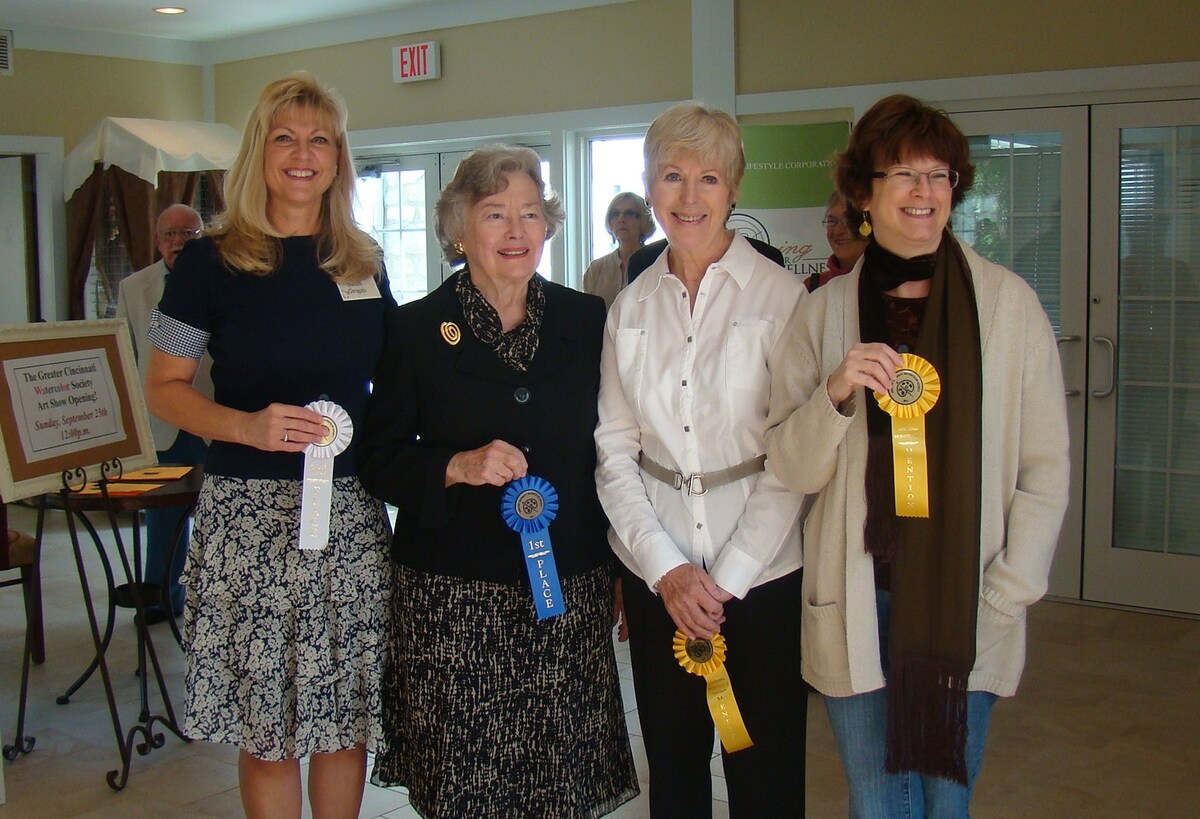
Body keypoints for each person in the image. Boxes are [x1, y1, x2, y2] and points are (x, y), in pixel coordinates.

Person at [765, 94, 1070, 818]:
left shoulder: (1008, 307)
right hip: (858, 596)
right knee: (878, 801)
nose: (924, 193)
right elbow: (791, 466)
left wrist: (1008, 587)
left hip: (969, 597)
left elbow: (1045, 465)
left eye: (940, 176)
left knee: (947, 802)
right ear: (864, 193)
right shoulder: (822, 312)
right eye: (903, 174)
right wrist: (837, 393)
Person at [358, 145, 639, 818]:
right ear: (460, 228)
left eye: (530, 214)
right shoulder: (415, 329)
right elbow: (377, 456)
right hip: (452, 599)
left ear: (548, 225)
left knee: (560, 774)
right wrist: (456, 465)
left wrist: (622, 564)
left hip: (567, 588)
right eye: (494, 215)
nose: (516, 233)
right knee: (467, 782)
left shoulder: (587, 321)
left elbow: (614, 452)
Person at [143, 72, 393, 819]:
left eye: (320, 138)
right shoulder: (205, 262)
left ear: (339, 157)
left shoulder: (362, 259)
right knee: (271, 729)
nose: (303, 153)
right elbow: (162, 385)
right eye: (285, 136)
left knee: (344, 719)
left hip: (347, 519)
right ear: (259, 150)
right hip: (248, 526)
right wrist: (245, 424)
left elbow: (397, 383)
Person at [594, 101, 808, 817]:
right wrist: (667, 569)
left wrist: (728, 579)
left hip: (764, 576)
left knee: (765, 773)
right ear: (650, 188)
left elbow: (794, 457)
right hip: (662, 581)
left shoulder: (783, 299)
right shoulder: (629, 307)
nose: (690, 198)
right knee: (677, 773)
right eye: (672, 177)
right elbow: (614, 452)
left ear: (735, 189)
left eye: (709, 178)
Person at [116, 203, 212, 623]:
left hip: (214, 415)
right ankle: (160, 596)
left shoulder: (223, 279)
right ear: (157, 241)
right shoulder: (133, 288)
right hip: (162, 422)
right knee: (163, 517)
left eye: (188, 234)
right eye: (169, 234)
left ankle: (213, 601)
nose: (178, 242)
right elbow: (126, 355)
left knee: (217, 515)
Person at [583, 191, 655, 308]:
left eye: (629, 213)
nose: (621, 219)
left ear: (643, 219)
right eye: (615, 213)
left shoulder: (658, 262)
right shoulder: (596, 269)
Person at [806, 191, 868, 292]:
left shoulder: (894, 287)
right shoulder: (813, 287)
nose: (838, 231)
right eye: (831, 221)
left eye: (848, 222)